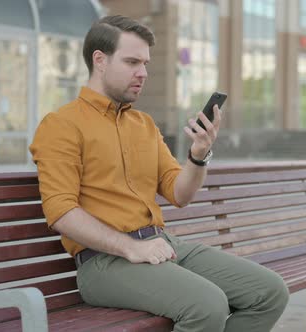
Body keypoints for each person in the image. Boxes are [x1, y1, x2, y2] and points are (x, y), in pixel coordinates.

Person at [29, 15, 289, 332]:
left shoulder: (144, 125)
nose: (143, 73)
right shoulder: (61, 124)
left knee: (269, 293)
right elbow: (61, 212)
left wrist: (198, 155)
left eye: (146, 63)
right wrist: (131, 248)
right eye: (132, 62)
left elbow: (180, 194)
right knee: (207, 306)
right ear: (100, 60)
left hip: (161, 245)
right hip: (104, 262)